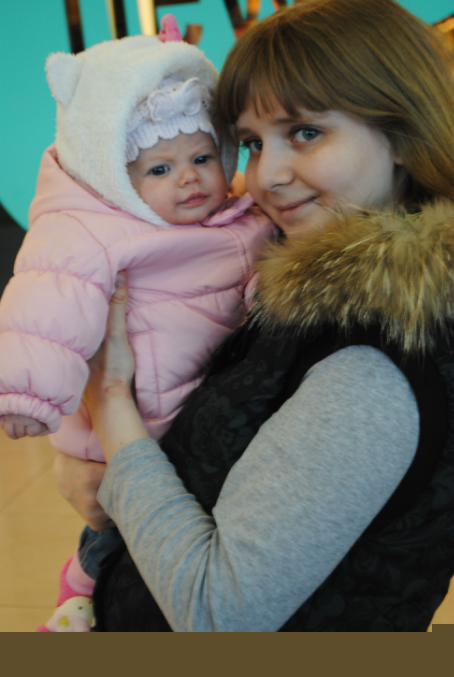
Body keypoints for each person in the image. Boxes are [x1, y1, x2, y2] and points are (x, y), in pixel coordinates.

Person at [53, 0, 454, 631]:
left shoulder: (374, 362)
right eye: (251, 144)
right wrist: (103, 476)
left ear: (403, 132)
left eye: (305, 133)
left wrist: (110, 404)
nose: (267, 176)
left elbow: (217, 613)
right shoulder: (300, 281)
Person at [0, 16, 273, 631]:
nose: (189, 178)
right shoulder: (92, 230)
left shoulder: (240, 215)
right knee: (119, 531)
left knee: (163, 529)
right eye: (159, 170)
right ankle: (79, 599)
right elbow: (46, 303)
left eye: (202, 157)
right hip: (133, 426)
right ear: (114, 178)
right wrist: (28, 393)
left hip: (192, 416)